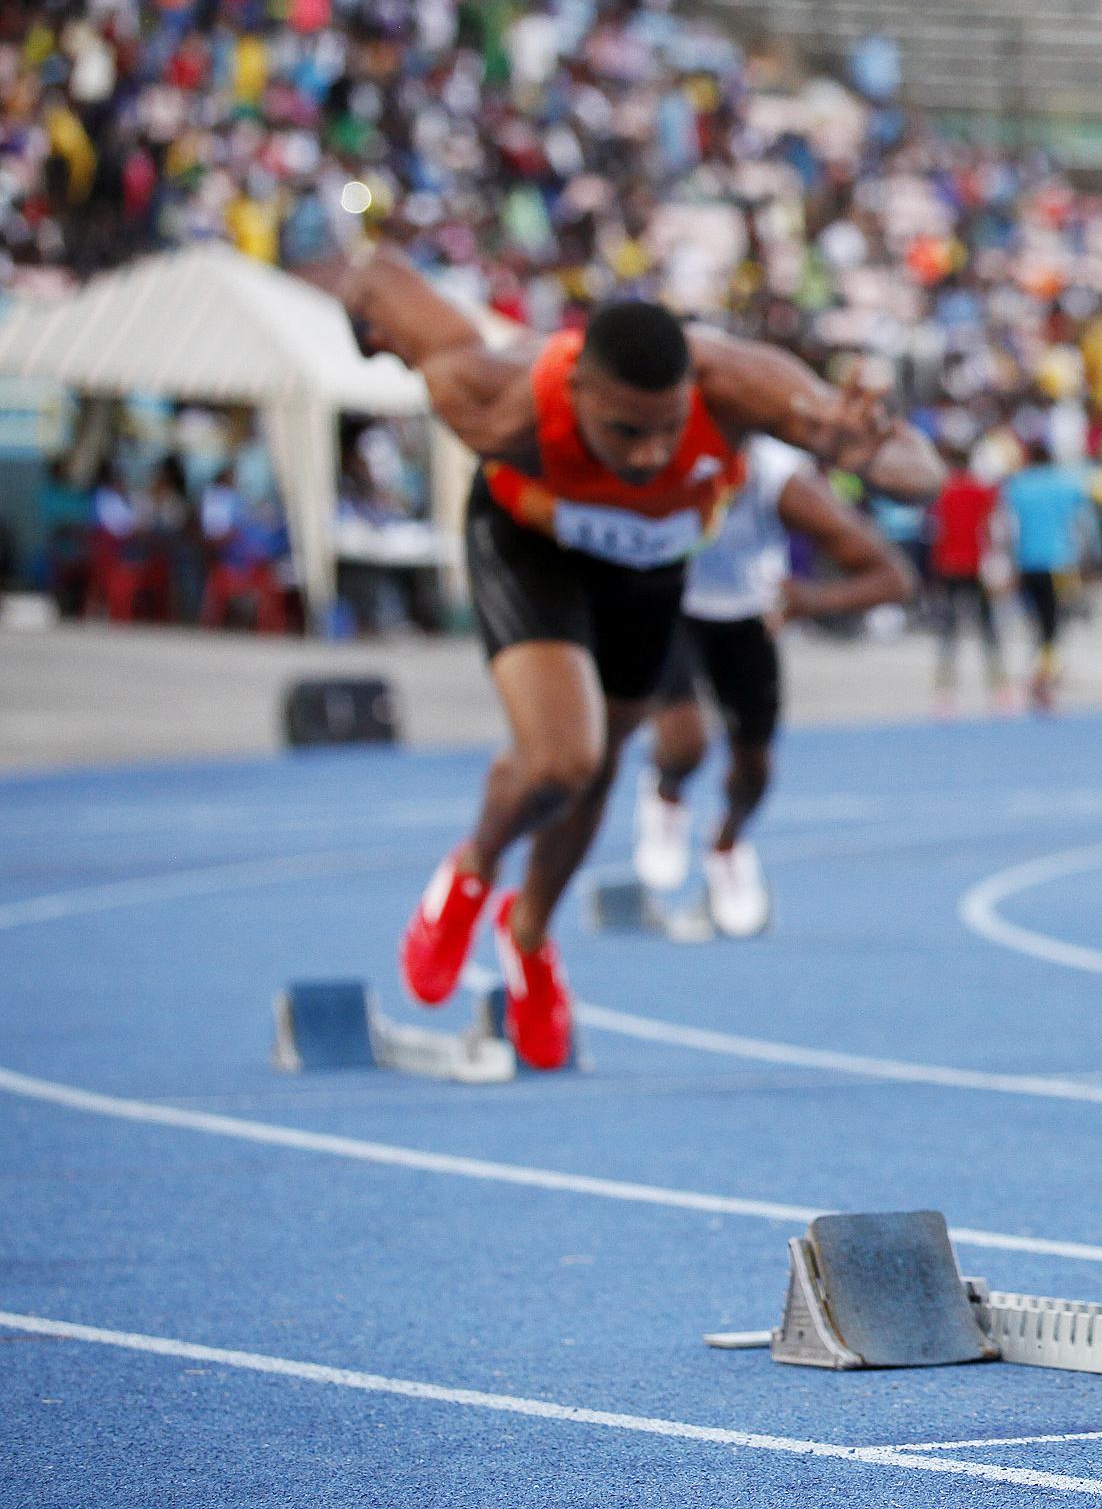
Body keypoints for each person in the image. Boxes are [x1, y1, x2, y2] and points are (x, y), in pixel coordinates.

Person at [330, 247, 938, 1066]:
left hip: (650, 564)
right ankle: (469, 870)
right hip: (530, 541)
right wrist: (360, 329)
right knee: (557, 763)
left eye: (667, 430)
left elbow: (921, 474)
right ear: (577, 390)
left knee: (605, 758)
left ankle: (529, 936)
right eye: (624, 431)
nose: (650, 455)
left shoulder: (741, 383)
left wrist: (863, 449)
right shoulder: (484, 385)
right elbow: (374, 275)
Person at [632, 436, 916, 937]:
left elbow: (895, 577)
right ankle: (667, 792)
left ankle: (725, 845)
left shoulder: (781, 482)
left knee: (754, 768)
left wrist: (813, 600)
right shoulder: (651, 455)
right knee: (685, 740)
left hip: (746, 616)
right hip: (667, 601)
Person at [999, 437, 1093, 710]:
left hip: (1027, 561)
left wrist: (1007, 561)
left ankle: (1043, 666)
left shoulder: (1017, 486)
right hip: (1060, 561)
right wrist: (1090, 559)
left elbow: (1006, 527)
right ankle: (1047, 670)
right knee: (1056, 618)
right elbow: (1083, 523)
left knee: (1035, 617)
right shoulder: (1066, 484)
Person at [924, 449, 1007, 706]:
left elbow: (934, 531)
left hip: (950, 565)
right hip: (977, 565)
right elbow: (994, 527)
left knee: (948, 628)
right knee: (987, 628)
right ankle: (998, 687)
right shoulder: (982, 492)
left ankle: (944, 692)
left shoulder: (942, 493)